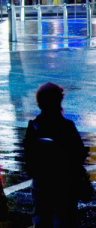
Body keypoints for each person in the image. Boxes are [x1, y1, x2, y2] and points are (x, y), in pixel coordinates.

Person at [23, 83, 87, 228]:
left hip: (41, 185)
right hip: (65, 184)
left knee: (42, 219)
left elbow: (28, 160)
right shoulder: (67, 126)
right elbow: (78, 154)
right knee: (65, 220)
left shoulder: (34, 126)